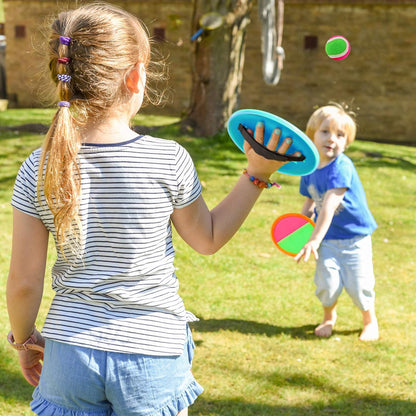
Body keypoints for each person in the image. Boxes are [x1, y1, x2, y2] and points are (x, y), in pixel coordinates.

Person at [6, 3, 298, 415]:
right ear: (136, 76)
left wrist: (23, 340)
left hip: (69, 353)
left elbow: (22, 282)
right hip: (152, 353)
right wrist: (256, 173)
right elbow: (208, 239)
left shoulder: (39, 166)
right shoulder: (168, 158)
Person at [294, 104, 379, 342]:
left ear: (347, 142)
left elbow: (329, 206)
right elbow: (310, 201)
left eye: (340, 135)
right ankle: (328, 317)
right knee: (327, 283)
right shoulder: (308, 167)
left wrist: (314, 239)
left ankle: (369, 321)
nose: (332, 139)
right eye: (325, 132)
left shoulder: (342, 166)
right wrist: (300, 232)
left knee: (359, 284)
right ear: (311, 134)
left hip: (355, 237)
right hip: (328, 238)